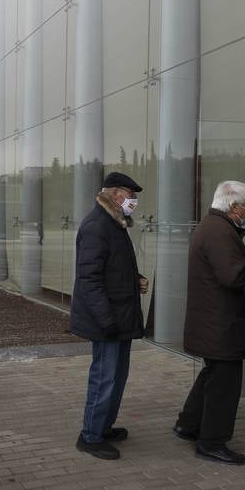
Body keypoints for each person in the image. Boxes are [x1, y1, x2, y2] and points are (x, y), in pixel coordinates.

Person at [174, 181, 245, 465]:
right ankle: (212, 442)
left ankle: (189, 424)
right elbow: (234, 276)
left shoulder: (213, 226)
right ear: (234, 207)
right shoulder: (221, 232)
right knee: (225, 384)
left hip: (213, 323)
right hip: (221, 325)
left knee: (212, 376)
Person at [69, 172, 148, 460]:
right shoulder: (97, 226)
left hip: (120, 317)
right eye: (131, 194)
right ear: (115, 195)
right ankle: (90, 435)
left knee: (117, 377)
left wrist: (134, 278)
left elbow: (112, 268)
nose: (134, 201)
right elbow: (89, 279)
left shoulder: (114, 224)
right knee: (104, 378)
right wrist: (106, 320)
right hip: (109, 320)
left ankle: (104, 426)